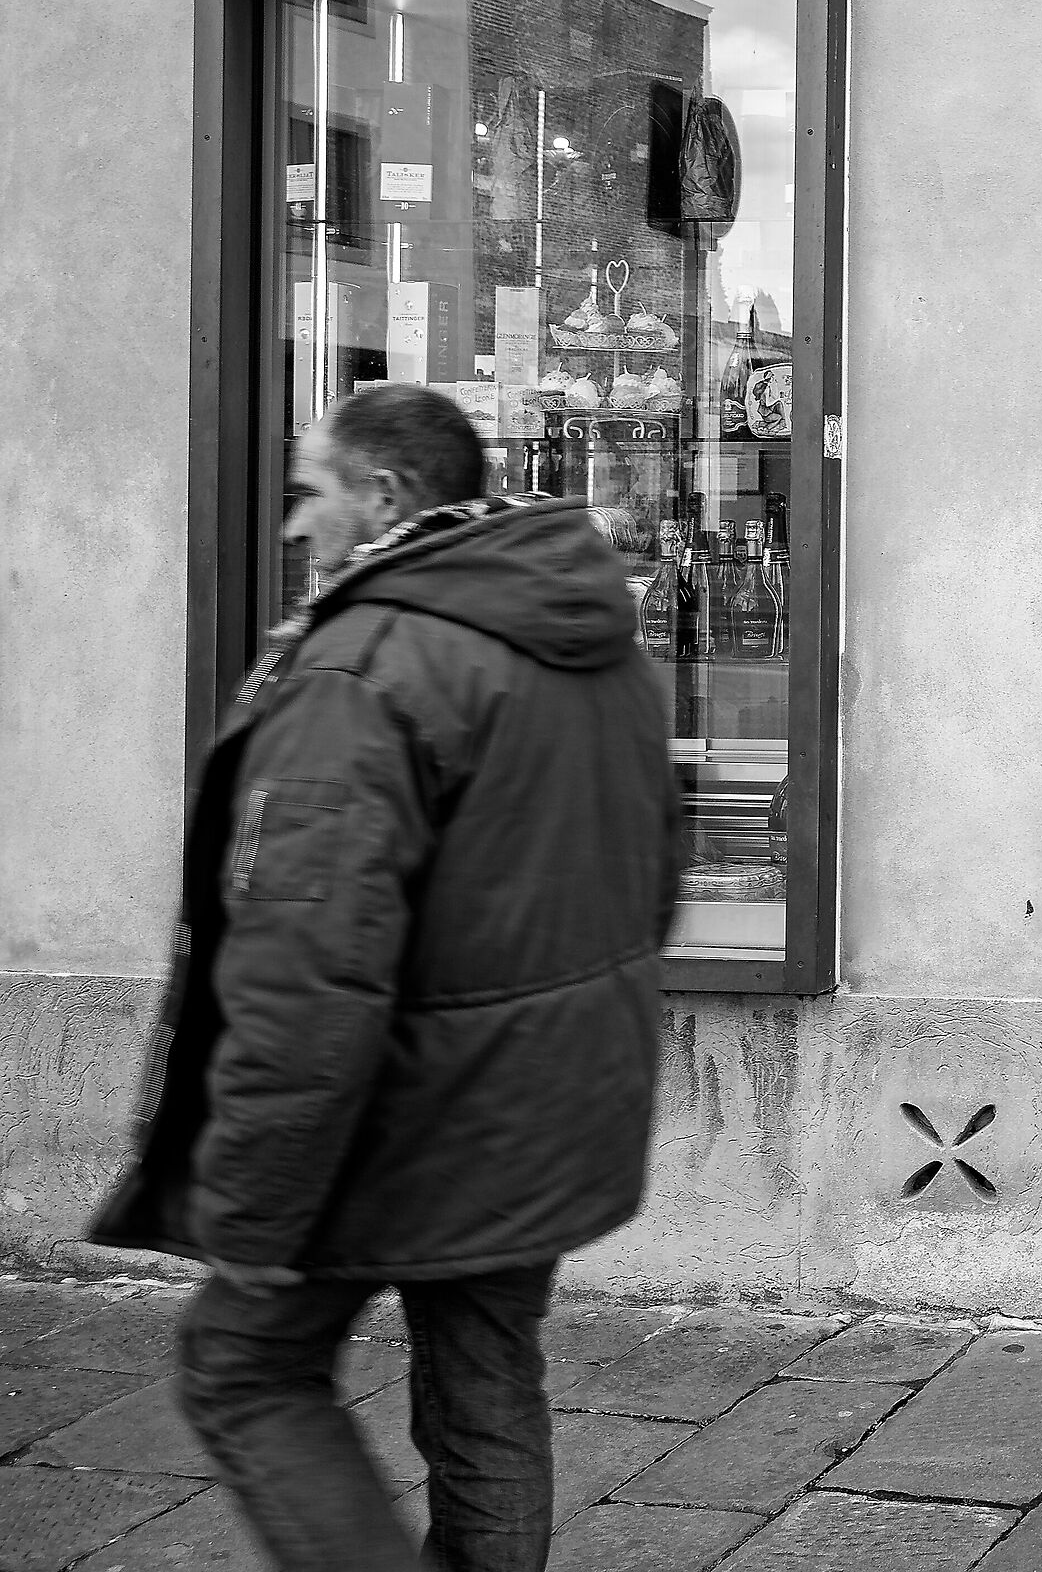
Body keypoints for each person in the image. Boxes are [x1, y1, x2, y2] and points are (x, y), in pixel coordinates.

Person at [90, 384, 678, 1571]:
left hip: (403, 1118)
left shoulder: (362, 666)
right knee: (485, 1373)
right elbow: (651, 875)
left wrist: (252, 1202)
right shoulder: (591, 636)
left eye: (310, 494)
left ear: (387, 495)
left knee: (241, 1367)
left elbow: (306, 971)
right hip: (551, 1103)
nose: (296, 528)